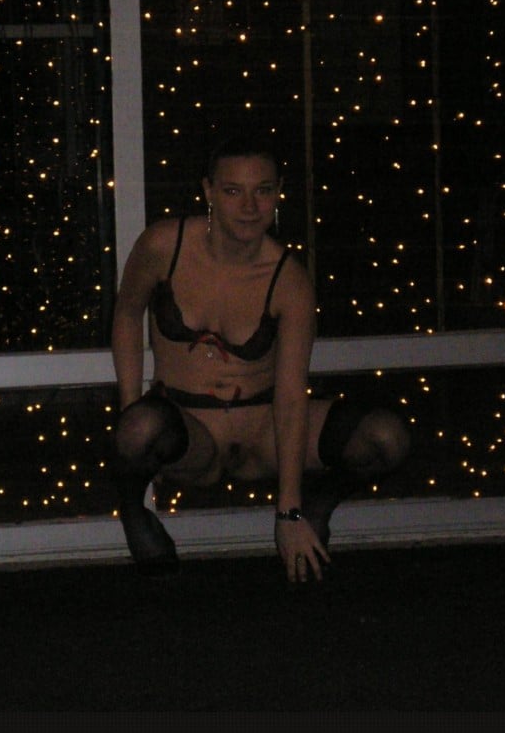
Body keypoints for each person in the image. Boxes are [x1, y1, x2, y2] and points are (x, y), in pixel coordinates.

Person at [110, 133, 411, 583]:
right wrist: (131, 411)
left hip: (262, 431)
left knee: (386, 438)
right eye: (234, 191)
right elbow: (127, 314)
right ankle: (132, 510)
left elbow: (290, 395)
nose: (249, 207)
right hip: (191, 431)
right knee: (137, 428)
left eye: (263, 191)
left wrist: (289, 512)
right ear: (209, 191)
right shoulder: (163, 246)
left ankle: (320, 505)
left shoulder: (288, 280)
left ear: (278, 193)